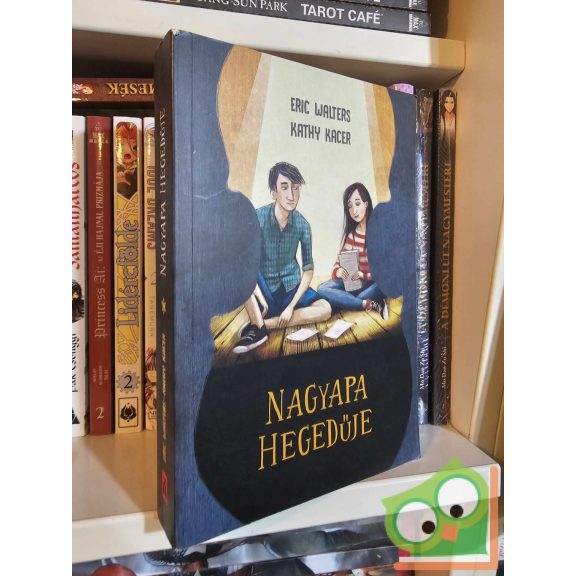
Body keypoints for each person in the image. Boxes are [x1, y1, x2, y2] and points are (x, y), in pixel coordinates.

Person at [233, 162, 331, 354]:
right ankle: (258, 323)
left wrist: (291, 307)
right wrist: (258, 295)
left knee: (325, 308)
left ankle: (261, 325)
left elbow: (308, 270)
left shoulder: (303, 225)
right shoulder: (257, 218)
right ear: (274, 192)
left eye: (295, 188)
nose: (291, 195)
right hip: (264, 289)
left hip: (291, 287)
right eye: (284, 187)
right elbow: (245, 263)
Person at [317, 183, 388, 319]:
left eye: (357, 204)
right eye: (349, 206)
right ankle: (366, 303)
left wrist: (364, 275)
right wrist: (338, 271)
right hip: (354, 283)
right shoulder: (352, 235)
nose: (354, 210)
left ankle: (349, 301)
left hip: (374, 283)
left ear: (366, 204)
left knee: (371, 290)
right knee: (321, 289)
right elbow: (338, 263)